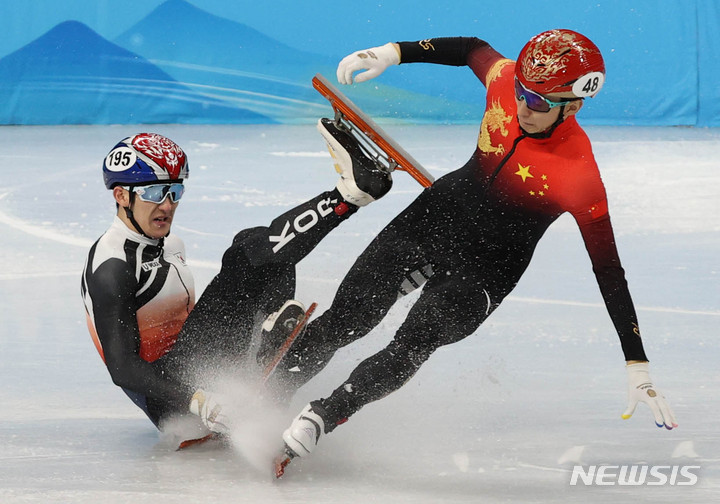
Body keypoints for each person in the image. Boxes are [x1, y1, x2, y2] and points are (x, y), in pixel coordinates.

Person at [274, 30, 678, 461]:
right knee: (350, 317)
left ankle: (326, 414)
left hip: (486, 271)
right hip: (434, 219)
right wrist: (393, 53)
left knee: (415, 340)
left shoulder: (579, 175)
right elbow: (471, 48)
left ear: (574, 106)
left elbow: (608, 270)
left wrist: (637, 362)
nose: (523, 105)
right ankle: (276, 384)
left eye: (540, 102)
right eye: (522, 92)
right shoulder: (508, 81)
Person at [81, 121, 392, 436]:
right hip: (175, 401)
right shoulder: (113, 266)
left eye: (175, 191)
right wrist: (199, 401)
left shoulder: (169, 245)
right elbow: (121, 368)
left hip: (200, 368)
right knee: (244, 259)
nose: (167, 205)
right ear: (121, 195)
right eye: (155, 192)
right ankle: (346, 196)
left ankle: (270, 342)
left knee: (251, 239)